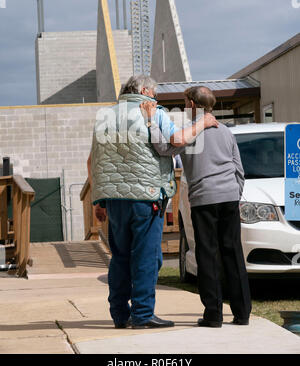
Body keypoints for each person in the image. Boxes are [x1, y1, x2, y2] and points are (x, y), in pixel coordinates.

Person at [87, 76, 218, 329]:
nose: (156, 98)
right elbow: (176, 141)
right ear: (144, 91)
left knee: (120, 257)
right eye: (154, 93)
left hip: (114, 200)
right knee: (147, 257)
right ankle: (143, 314)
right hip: (146, 197)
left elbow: (92, 162)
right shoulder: (153, 112)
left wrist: (98, 201)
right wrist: (202, 122)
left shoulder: (104, 116)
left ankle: (119, 314)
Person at [140, 86, 252, 328]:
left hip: (204, 198)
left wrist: (151, 122)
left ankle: (214, 314)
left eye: (185, 103)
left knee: (207, 254)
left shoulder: (189, 134)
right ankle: (242, 313)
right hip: (230, 196)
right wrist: (235, 192)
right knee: (233, 253)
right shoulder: (226, 132)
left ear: (192, 104)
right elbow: (238, 168)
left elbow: (163, 148)